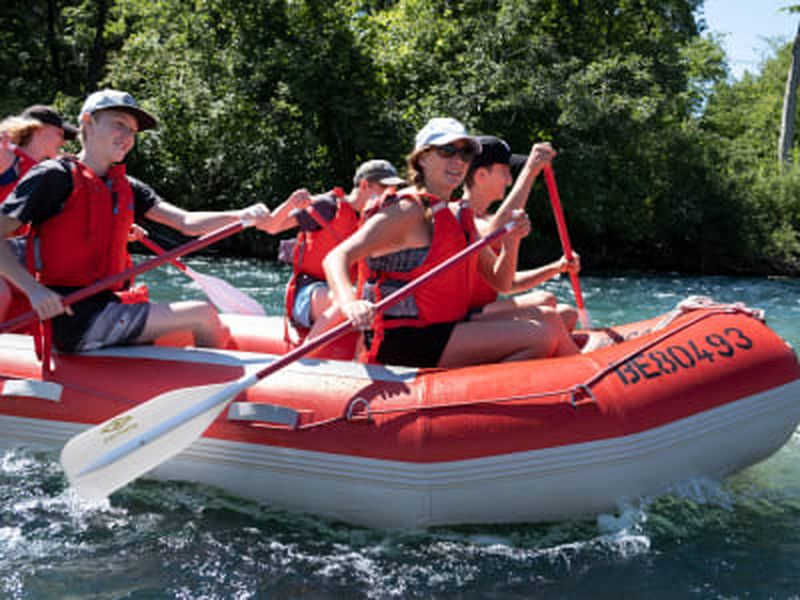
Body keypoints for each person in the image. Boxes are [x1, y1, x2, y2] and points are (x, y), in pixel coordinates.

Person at [0, 89, 268, 352]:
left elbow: (186, 222)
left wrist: (241, 215)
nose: (127, 136)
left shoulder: (127, 187)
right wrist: (34, 291)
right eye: (118, 124)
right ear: (88, 123)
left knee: (195, 320)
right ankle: (223, 392)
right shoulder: (54, 176)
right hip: (73, 317)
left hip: (109, 305)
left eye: (132, 131)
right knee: (202, 314)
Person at [323, 117, 580, 368]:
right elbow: (337, 257)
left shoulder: (457, 214)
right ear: (422, 158)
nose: (458, 161)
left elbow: (500, 281)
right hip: (403, 341)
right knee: (540, 336)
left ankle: (579, 383)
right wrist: (349, 303)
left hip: (444, 328)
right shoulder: (406, 210)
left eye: (465, 153)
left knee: (547, 318)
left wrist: (512, 243)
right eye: (447, 150)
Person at [259, 159, 404, 341]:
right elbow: (271, 226)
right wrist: (291, 203)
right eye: (384, 187)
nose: (390, 194)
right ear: (365, 185)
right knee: (344, 301)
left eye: (393, 189)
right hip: (308, 289)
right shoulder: (326, 206)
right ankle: (306, 353)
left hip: (349, 290)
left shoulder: (377, 221)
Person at [461, 135, 580, 330]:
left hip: (481, 313)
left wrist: (558, 267)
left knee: (558, 308)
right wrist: (530, 172)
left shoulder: (486, 219)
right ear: (481, 175)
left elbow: (508, 283)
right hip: (464, 319)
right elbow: (495, 233)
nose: (509, 181)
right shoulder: (459, 216)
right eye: (505, 172)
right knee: (555, 307)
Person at [0, 105, 78, 320]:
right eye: (60, 134)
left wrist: (126, 225)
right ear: (38, 130)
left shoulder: (48, 173)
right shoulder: (7, 155)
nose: (63, 142)